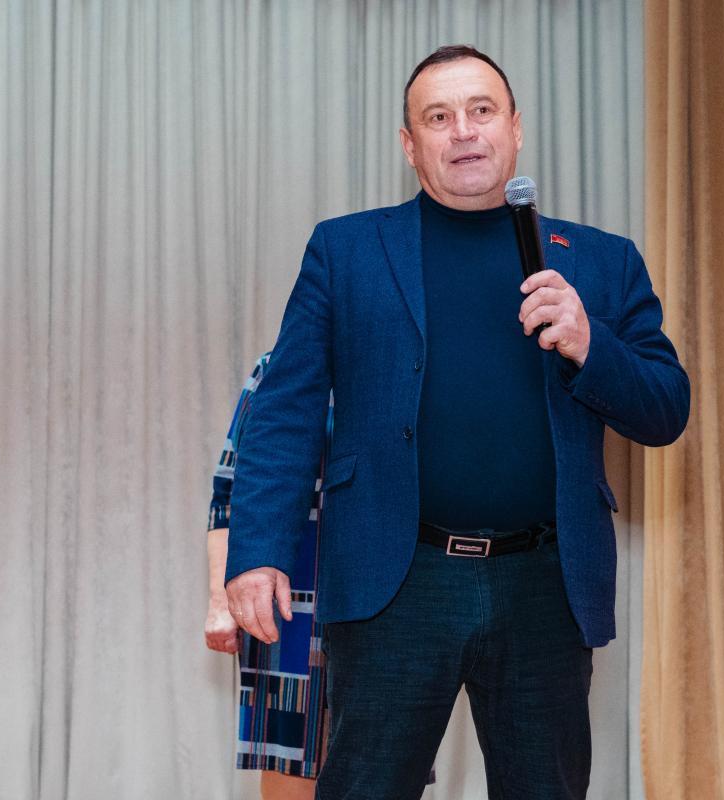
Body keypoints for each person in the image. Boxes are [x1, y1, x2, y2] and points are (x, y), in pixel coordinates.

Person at [224, 44, 691, 799]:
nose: (464, 131)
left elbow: (666, 409)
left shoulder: (601, 262)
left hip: (545, 582)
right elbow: (285, 412)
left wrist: (589, 342)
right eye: (438, 118)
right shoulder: (346, 250)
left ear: (516, 128)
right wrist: (258, 553)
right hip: (395, 577)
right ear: (410, 146)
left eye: (481, 110)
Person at [205, 353, 331, 800]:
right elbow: (228, 495)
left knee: (386, 758)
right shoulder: (281, 369)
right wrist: (221, 603)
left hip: (390, 599)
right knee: (291, 765)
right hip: (289, 603)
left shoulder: (408, 365)